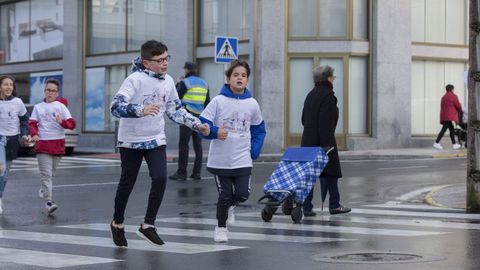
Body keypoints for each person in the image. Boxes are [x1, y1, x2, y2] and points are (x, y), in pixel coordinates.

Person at [109, 40, 210, 248]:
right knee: (127, 184)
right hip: (131, 141)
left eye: (167, 58)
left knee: (161, 177)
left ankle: (148, 225)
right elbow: (115, 107)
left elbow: (175, 110)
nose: (165, 63)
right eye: (160, 60)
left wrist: (197, 124)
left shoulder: (169, 81)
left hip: (155, 138)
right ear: (147, 63)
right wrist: (140, 110)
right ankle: (117, 223)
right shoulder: (134, 80)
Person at [199, 60, 266, 242]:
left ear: (247, 80)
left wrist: (254, 150)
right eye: (236, 75)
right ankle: (221, 228)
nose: (240, 78)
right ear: (228, 79)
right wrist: (214, 131)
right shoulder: (218, 101)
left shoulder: (252, 104)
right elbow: (202, 124)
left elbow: (259, 129)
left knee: (243, 194)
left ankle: (230, 206)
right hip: (221, 159)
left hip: (243, 157)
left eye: (243, 76)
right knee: (225, 194)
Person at [300, 65, 350, 217]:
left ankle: (306, 207)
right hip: (324, 142)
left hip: (308, 141)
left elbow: (303, 119)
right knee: (331, 174)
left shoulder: (310, 95)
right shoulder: (328, 96)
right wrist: (327, 146)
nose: (333, 80)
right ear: (328, 78)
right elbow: (326, 124)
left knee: (309, 176)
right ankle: (334, 205)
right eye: (333, 77)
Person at [28, 78, 76, 215]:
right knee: (46, 174)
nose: (50, 93)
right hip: (42, 144)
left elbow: (72, 124)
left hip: (58, 144)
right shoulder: (38, 107)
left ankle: (44, 189)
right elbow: (32, 123)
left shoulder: (61, 107)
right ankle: (49, 202)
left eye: (53, 91)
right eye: (48, 90)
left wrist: (62, 122)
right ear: (44, 91)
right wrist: (34, 134)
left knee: (51, 173)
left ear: (57, 93)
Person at [169, 61, 210, 181]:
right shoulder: (204, 83)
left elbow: (176, 97)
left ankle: (182, 173)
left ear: (186, 70)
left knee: (184, 144)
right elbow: (207, 102)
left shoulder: (185, 82)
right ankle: (196, 173)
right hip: (200, 117)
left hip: (187, 116)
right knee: (198, 146)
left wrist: (178, 84)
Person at [0, 75, 30, 215]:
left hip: (12, 140)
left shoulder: (18, 102)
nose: (9, 87)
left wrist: (24, 134)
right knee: (1, 168)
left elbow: (24, 119)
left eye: (11, 85)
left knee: (5, 174)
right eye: (6, 84)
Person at [433, 84, 462, 150]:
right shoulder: (453, 96)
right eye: (453, 89)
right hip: (450, 116)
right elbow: (458, 105)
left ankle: (454, 144)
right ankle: (436, 142)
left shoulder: (443, 97)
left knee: (451, 129)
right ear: (452, 89)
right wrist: (459, 111)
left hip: (444, 116)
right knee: (444, 129)